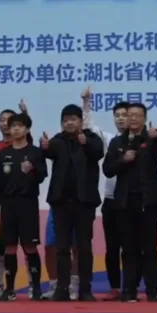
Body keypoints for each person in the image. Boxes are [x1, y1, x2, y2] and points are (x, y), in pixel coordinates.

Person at [102, 102, 157, 302]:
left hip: (149, 200)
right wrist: (123, 160)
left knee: (149, 247)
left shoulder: (152, 138)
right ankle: (129, 289)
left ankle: (152, 290)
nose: (132, 118)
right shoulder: (117, 142)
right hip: (125, 201)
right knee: (128, 248)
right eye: (129, 115)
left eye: (137, 115)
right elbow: (108, 170)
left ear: (144, 118)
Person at [41, 104, 103, 301]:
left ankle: (85, 289)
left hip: (85, 202)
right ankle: (62, 288)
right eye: (65, 120)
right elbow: (46, 153)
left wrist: (86, 143)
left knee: (84, 247)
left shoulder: (91, 138)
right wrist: (44, 147)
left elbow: (98, 153)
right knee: (62, 247)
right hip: (61, 202)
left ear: (80, 122)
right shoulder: (57, 140)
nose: (69, 123)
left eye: (73, 119)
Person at [0, 112, 47, 300]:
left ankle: (36, 288)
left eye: (20, 126)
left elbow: (42, 176)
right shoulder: (2, 154)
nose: (15, 129)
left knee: (30, 247)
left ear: (27, 129)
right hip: (8, 206)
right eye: (13, 126)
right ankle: (10, 289)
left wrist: (32, 169)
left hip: (28, 204)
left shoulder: (35, 152)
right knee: (10, 247)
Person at [84, 97, 126, 300]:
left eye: (125, 115)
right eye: (117, 115)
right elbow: (89, 127)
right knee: (112, 247)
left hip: (133, 200)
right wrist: (86, 104)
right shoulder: (110, 139)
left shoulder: (142, 141)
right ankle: (115, 287)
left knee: (132, 247)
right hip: (111, 200)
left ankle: (133, 286)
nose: (121, 119)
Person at [0, 107, 18, 299]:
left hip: (22, 207)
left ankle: (30, 287)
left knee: (25, 246)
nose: (6, 123)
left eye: (10, 120)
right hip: (0, 208)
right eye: (2, 120)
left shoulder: (25, 146)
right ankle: (0, 286)